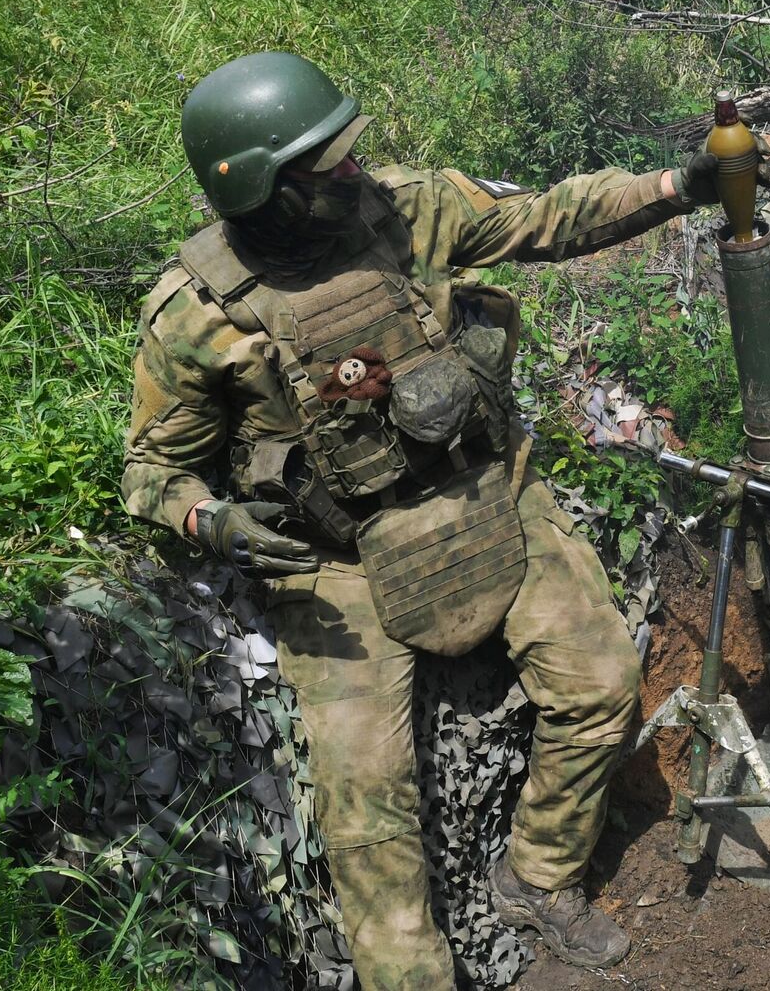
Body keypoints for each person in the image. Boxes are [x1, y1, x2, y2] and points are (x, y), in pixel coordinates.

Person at [121, 51, 733, 989]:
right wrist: (213, 521)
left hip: (486, 488)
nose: (356, 171)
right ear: (265, 192)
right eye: (326, 165)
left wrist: (678, 183)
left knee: (604, 678)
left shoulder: (407, 207)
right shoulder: (197, 312)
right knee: (367, 804)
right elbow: (154, 468)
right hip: (339, 561)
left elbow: (546, 217)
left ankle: (538, 877)